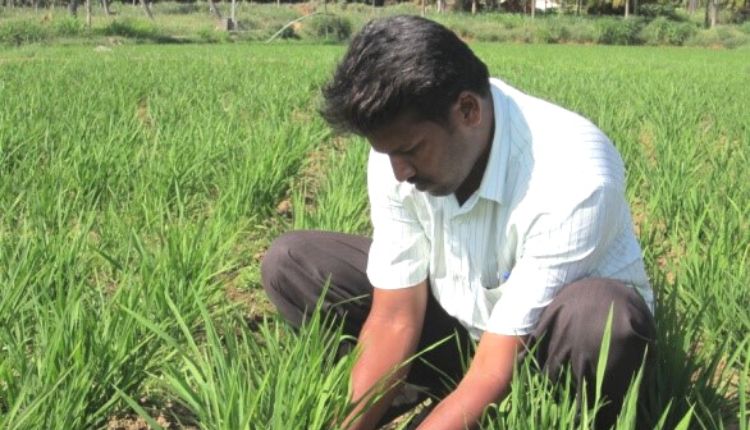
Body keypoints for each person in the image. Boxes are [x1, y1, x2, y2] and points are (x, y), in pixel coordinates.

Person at [261, 15, 656, 430]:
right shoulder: (399, 149)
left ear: (468, 110)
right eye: (387, 154)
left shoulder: (573, 172)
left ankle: (557, 419)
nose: (399, 173)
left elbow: (495, 365)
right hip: (465, 328)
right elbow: (395, 315)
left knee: (600, 317)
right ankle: (429, 391)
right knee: (294, 262)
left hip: (549, 348)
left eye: (410, 151)